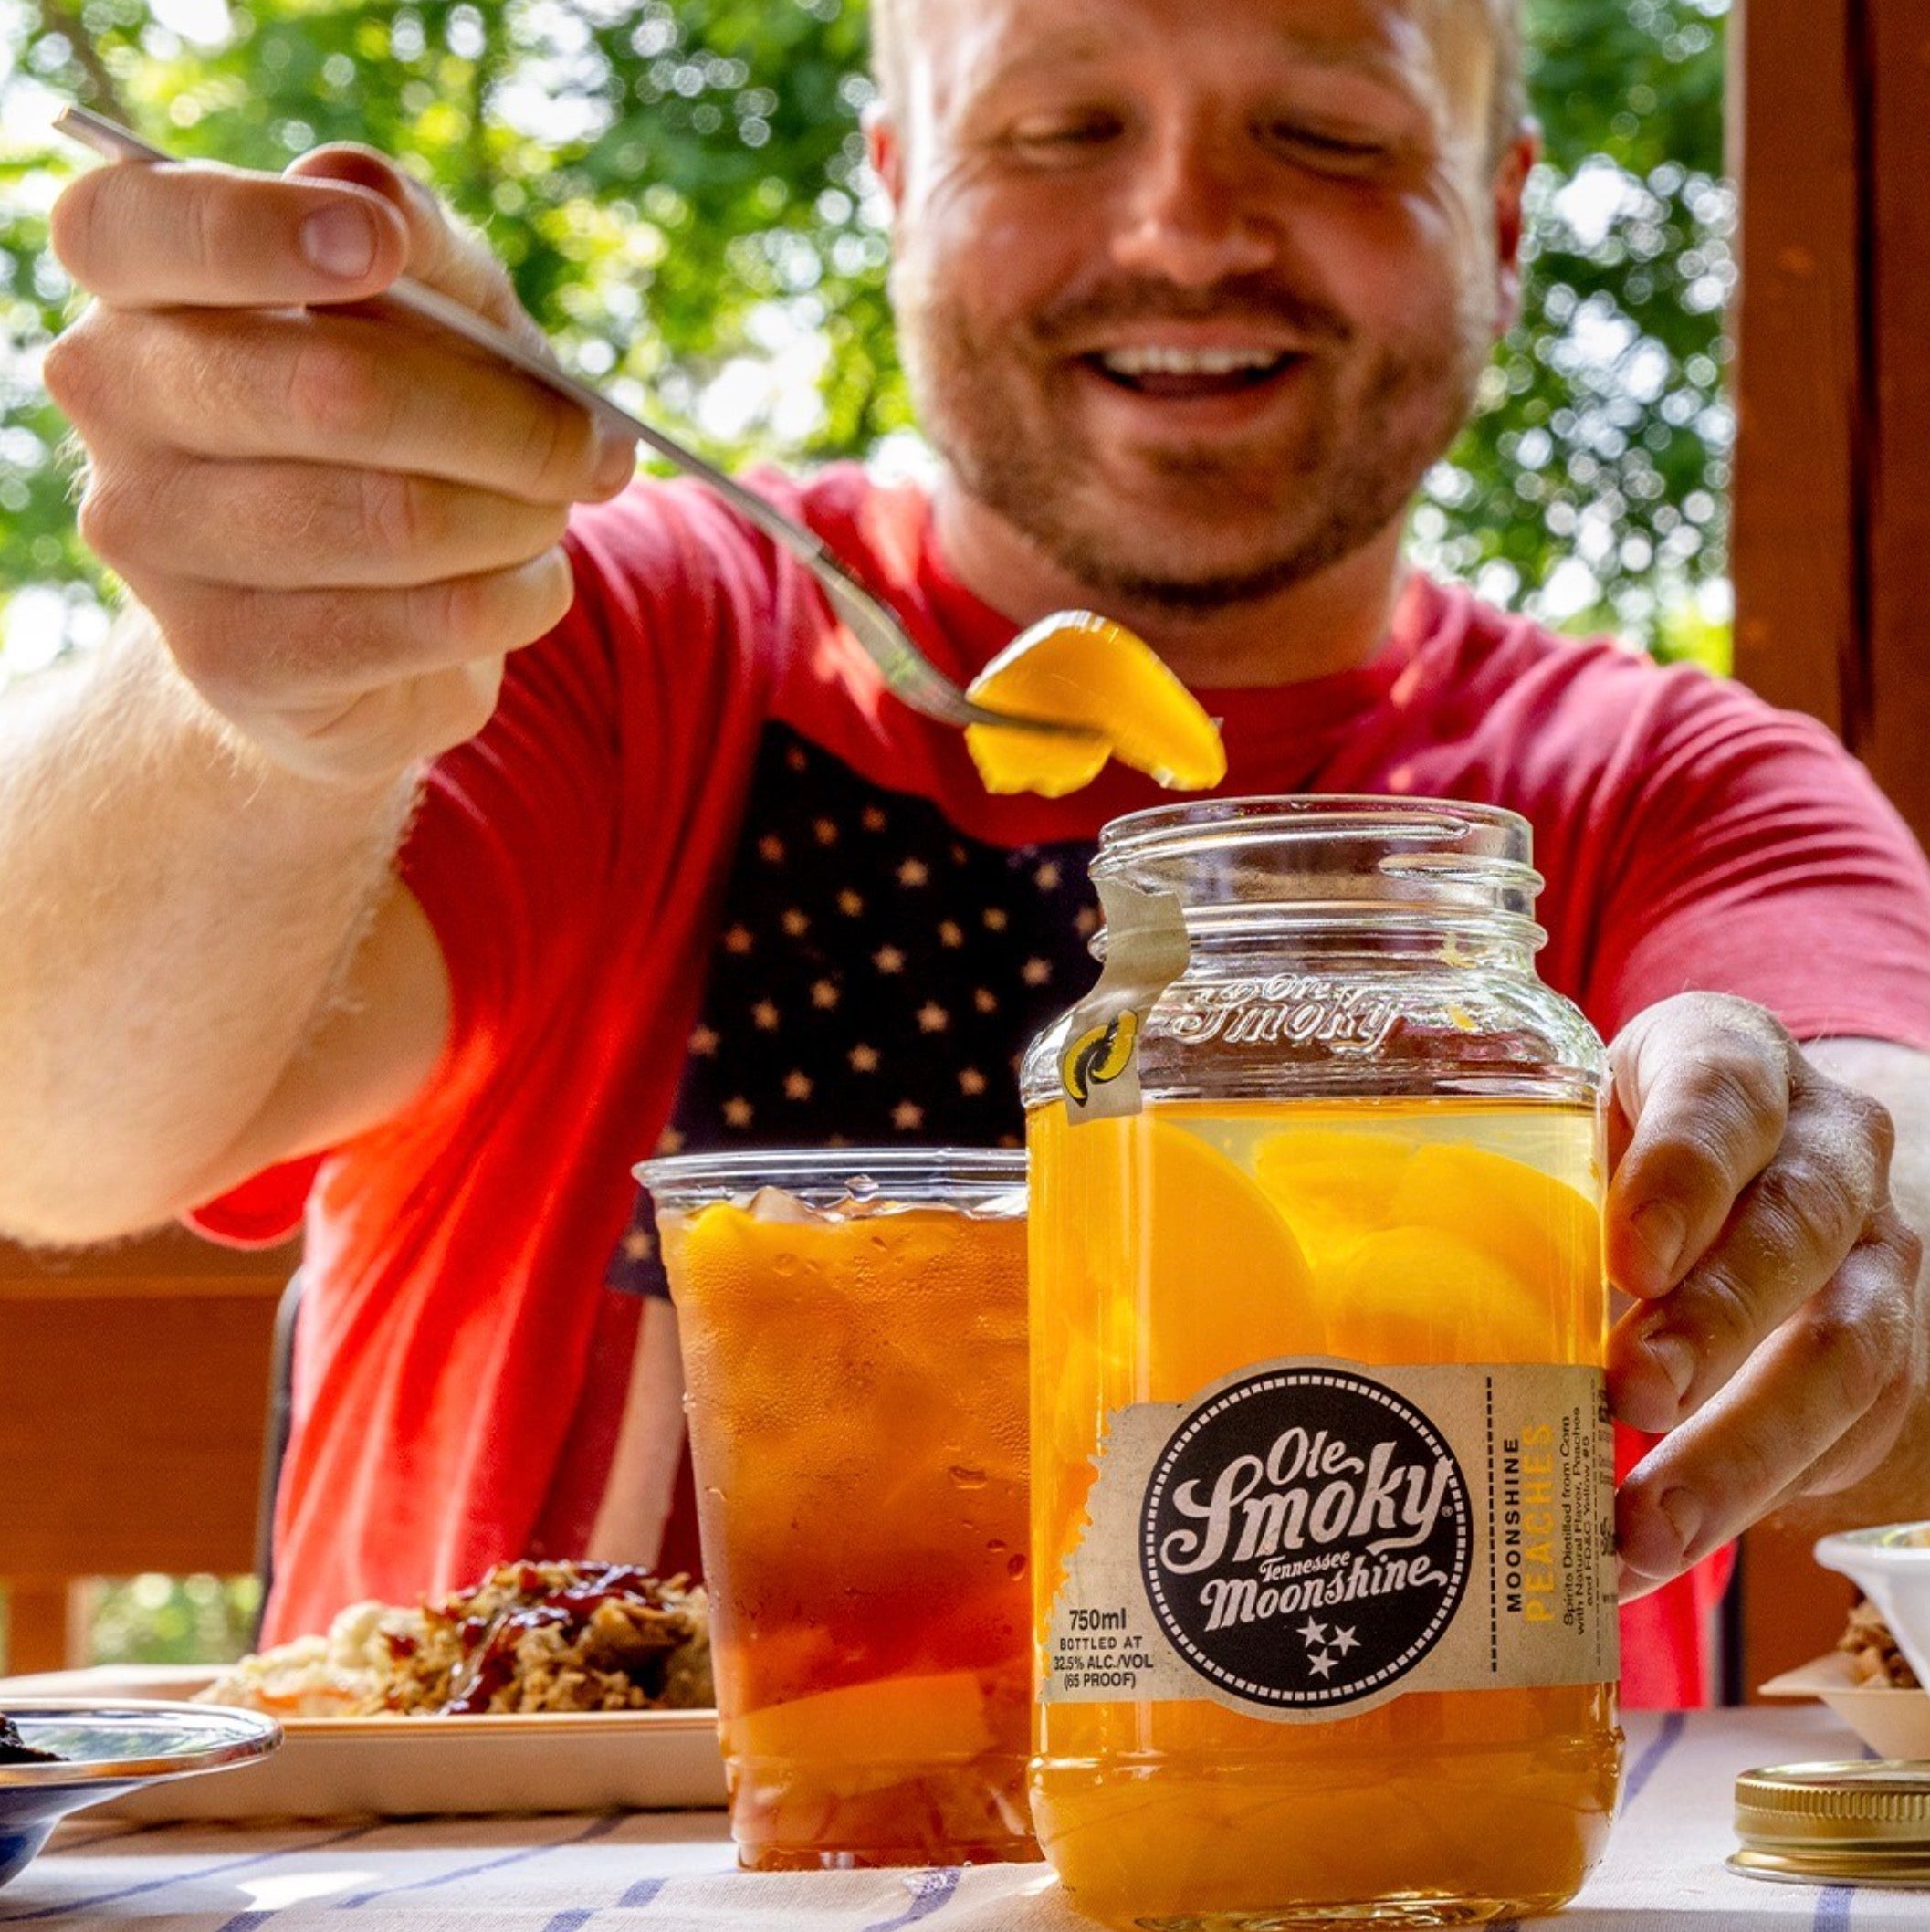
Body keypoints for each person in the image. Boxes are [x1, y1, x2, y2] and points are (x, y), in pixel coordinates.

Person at [4, 0, 1925, 1709]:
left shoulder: (1670, 785)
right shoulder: (589, 641)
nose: (1183, 227)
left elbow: (1867, 1105)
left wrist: (1835, 1185)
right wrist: (267, 691)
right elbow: (47, 1110)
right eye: (1056, 129)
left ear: (1497, 220)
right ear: (897, 182)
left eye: (1330, 134)